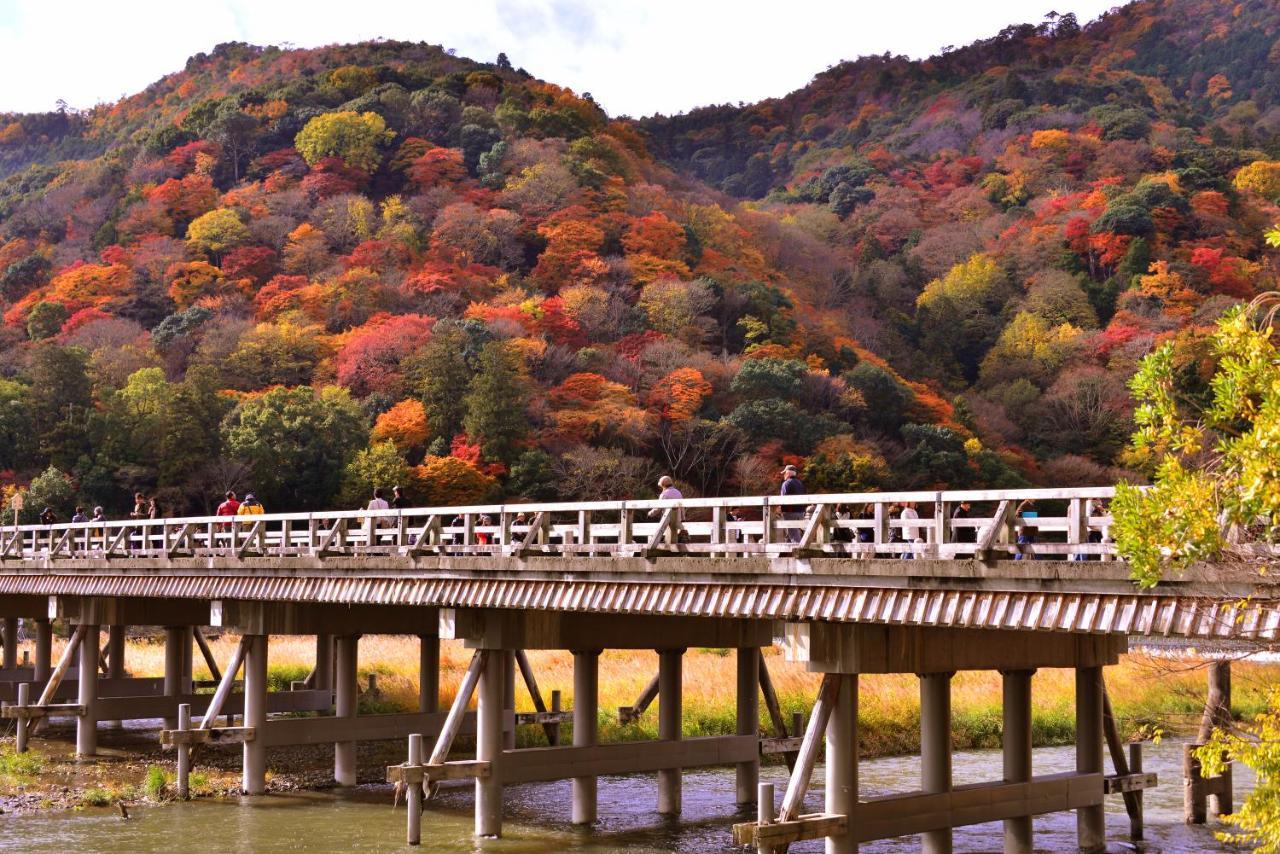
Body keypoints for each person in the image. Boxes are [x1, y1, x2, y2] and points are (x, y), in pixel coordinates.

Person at [779, 464, 805, 543]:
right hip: (800, 511)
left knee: (793, 534)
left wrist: (780, 509)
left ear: (788, 473)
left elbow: (783, 499)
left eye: (785, 473)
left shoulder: (786, 483)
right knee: (792, 533)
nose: (784, 475)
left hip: (790, 512)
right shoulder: (800, 483)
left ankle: (800, 551)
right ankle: (785, 553)